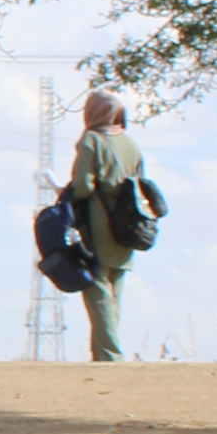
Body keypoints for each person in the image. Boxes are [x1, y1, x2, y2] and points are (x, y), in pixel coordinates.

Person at [61, 86, 144, 362]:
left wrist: (66, 194)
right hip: (129, 228)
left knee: (97, 292)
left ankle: (109, 356)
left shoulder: (91, 140)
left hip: (97, 226)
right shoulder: (132, 145)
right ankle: (104, 352)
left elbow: (84, 186)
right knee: (114, 292)